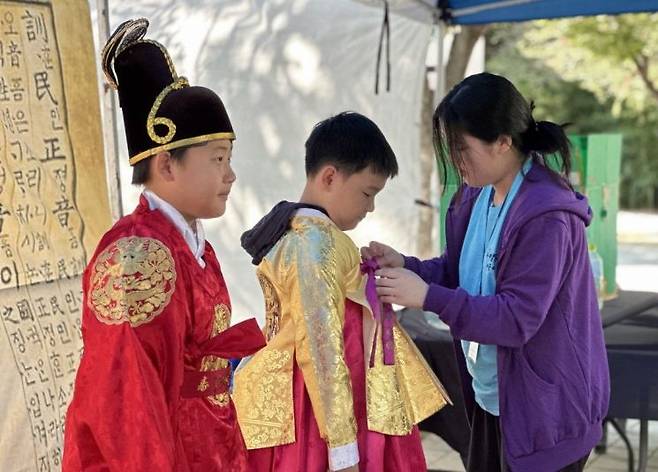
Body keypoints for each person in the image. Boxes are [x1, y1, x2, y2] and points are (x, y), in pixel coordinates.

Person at [365, 72, 610, 472]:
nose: (455, 160)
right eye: (450, 148)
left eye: (462, 148)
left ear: (503, 142)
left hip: (545, 412)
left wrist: (426, 296)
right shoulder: (474, 196)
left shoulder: (546, 216)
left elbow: (515, 319)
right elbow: (456, 269)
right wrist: (406, 266)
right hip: (492, 397)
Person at [62, 18, 265, 471]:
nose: (229, 175)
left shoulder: (191, 243)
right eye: (216, 160)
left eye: (229, 159)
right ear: (166, 164)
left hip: (209, 442)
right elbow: (125, 406)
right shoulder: (136, 256)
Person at [232, 112, 450, 472]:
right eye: (368, 193)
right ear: (330, 176)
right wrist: (343, 448)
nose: (371, 207)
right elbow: (321, 346)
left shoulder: (311, 235)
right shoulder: (314, 242)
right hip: (316, 410)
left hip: (326, 399)